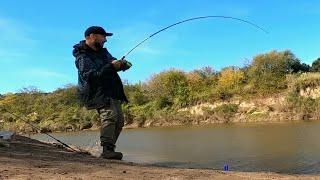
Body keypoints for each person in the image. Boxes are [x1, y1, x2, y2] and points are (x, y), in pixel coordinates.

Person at [72, 26, 131, 160]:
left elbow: (112, 62)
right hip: (96, 92)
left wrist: (121, 64)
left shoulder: (104, 53)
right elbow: (90, 76)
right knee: (110, 116)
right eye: (103, 36)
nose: (105, 40)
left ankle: (108, 149)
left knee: (119, 121)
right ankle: (107, 150)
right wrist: (111, 66)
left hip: (111, 90)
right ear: (92, 36)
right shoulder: (82, 56)